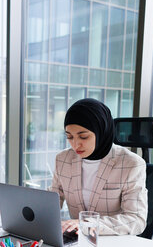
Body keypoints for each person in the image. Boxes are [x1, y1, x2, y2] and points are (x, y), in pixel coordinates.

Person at [50, 98, 147, 235]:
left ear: (102, 131)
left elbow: (136, 220)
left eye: (83, 137)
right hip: (76, 242)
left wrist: (87, 224)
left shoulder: (131, 164)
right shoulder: (63, 159)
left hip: (113, 243)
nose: (75, 144)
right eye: (70, 137)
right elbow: (53, 200)